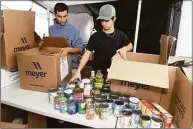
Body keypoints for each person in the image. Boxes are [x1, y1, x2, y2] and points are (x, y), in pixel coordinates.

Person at [71, 4, 133, 81]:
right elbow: (87, 54)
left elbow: (130, 45)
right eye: (101, 20)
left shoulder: (120, 35)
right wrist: (78, 71)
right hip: (98, 75)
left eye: (106, 20)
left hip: (114, 75)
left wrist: (125, 48)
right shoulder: (95, 36)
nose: (103, 23)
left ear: (114, 19)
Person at [49, 3, 83, 71]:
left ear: (67, 15)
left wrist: (68, 49)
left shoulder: (74, 30)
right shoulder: (51, 29)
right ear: (55, 15)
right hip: (56, 65)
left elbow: (80, 49)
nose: (62, 19)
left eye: (64, 16)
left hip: (71, 66)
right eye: (59, 16)